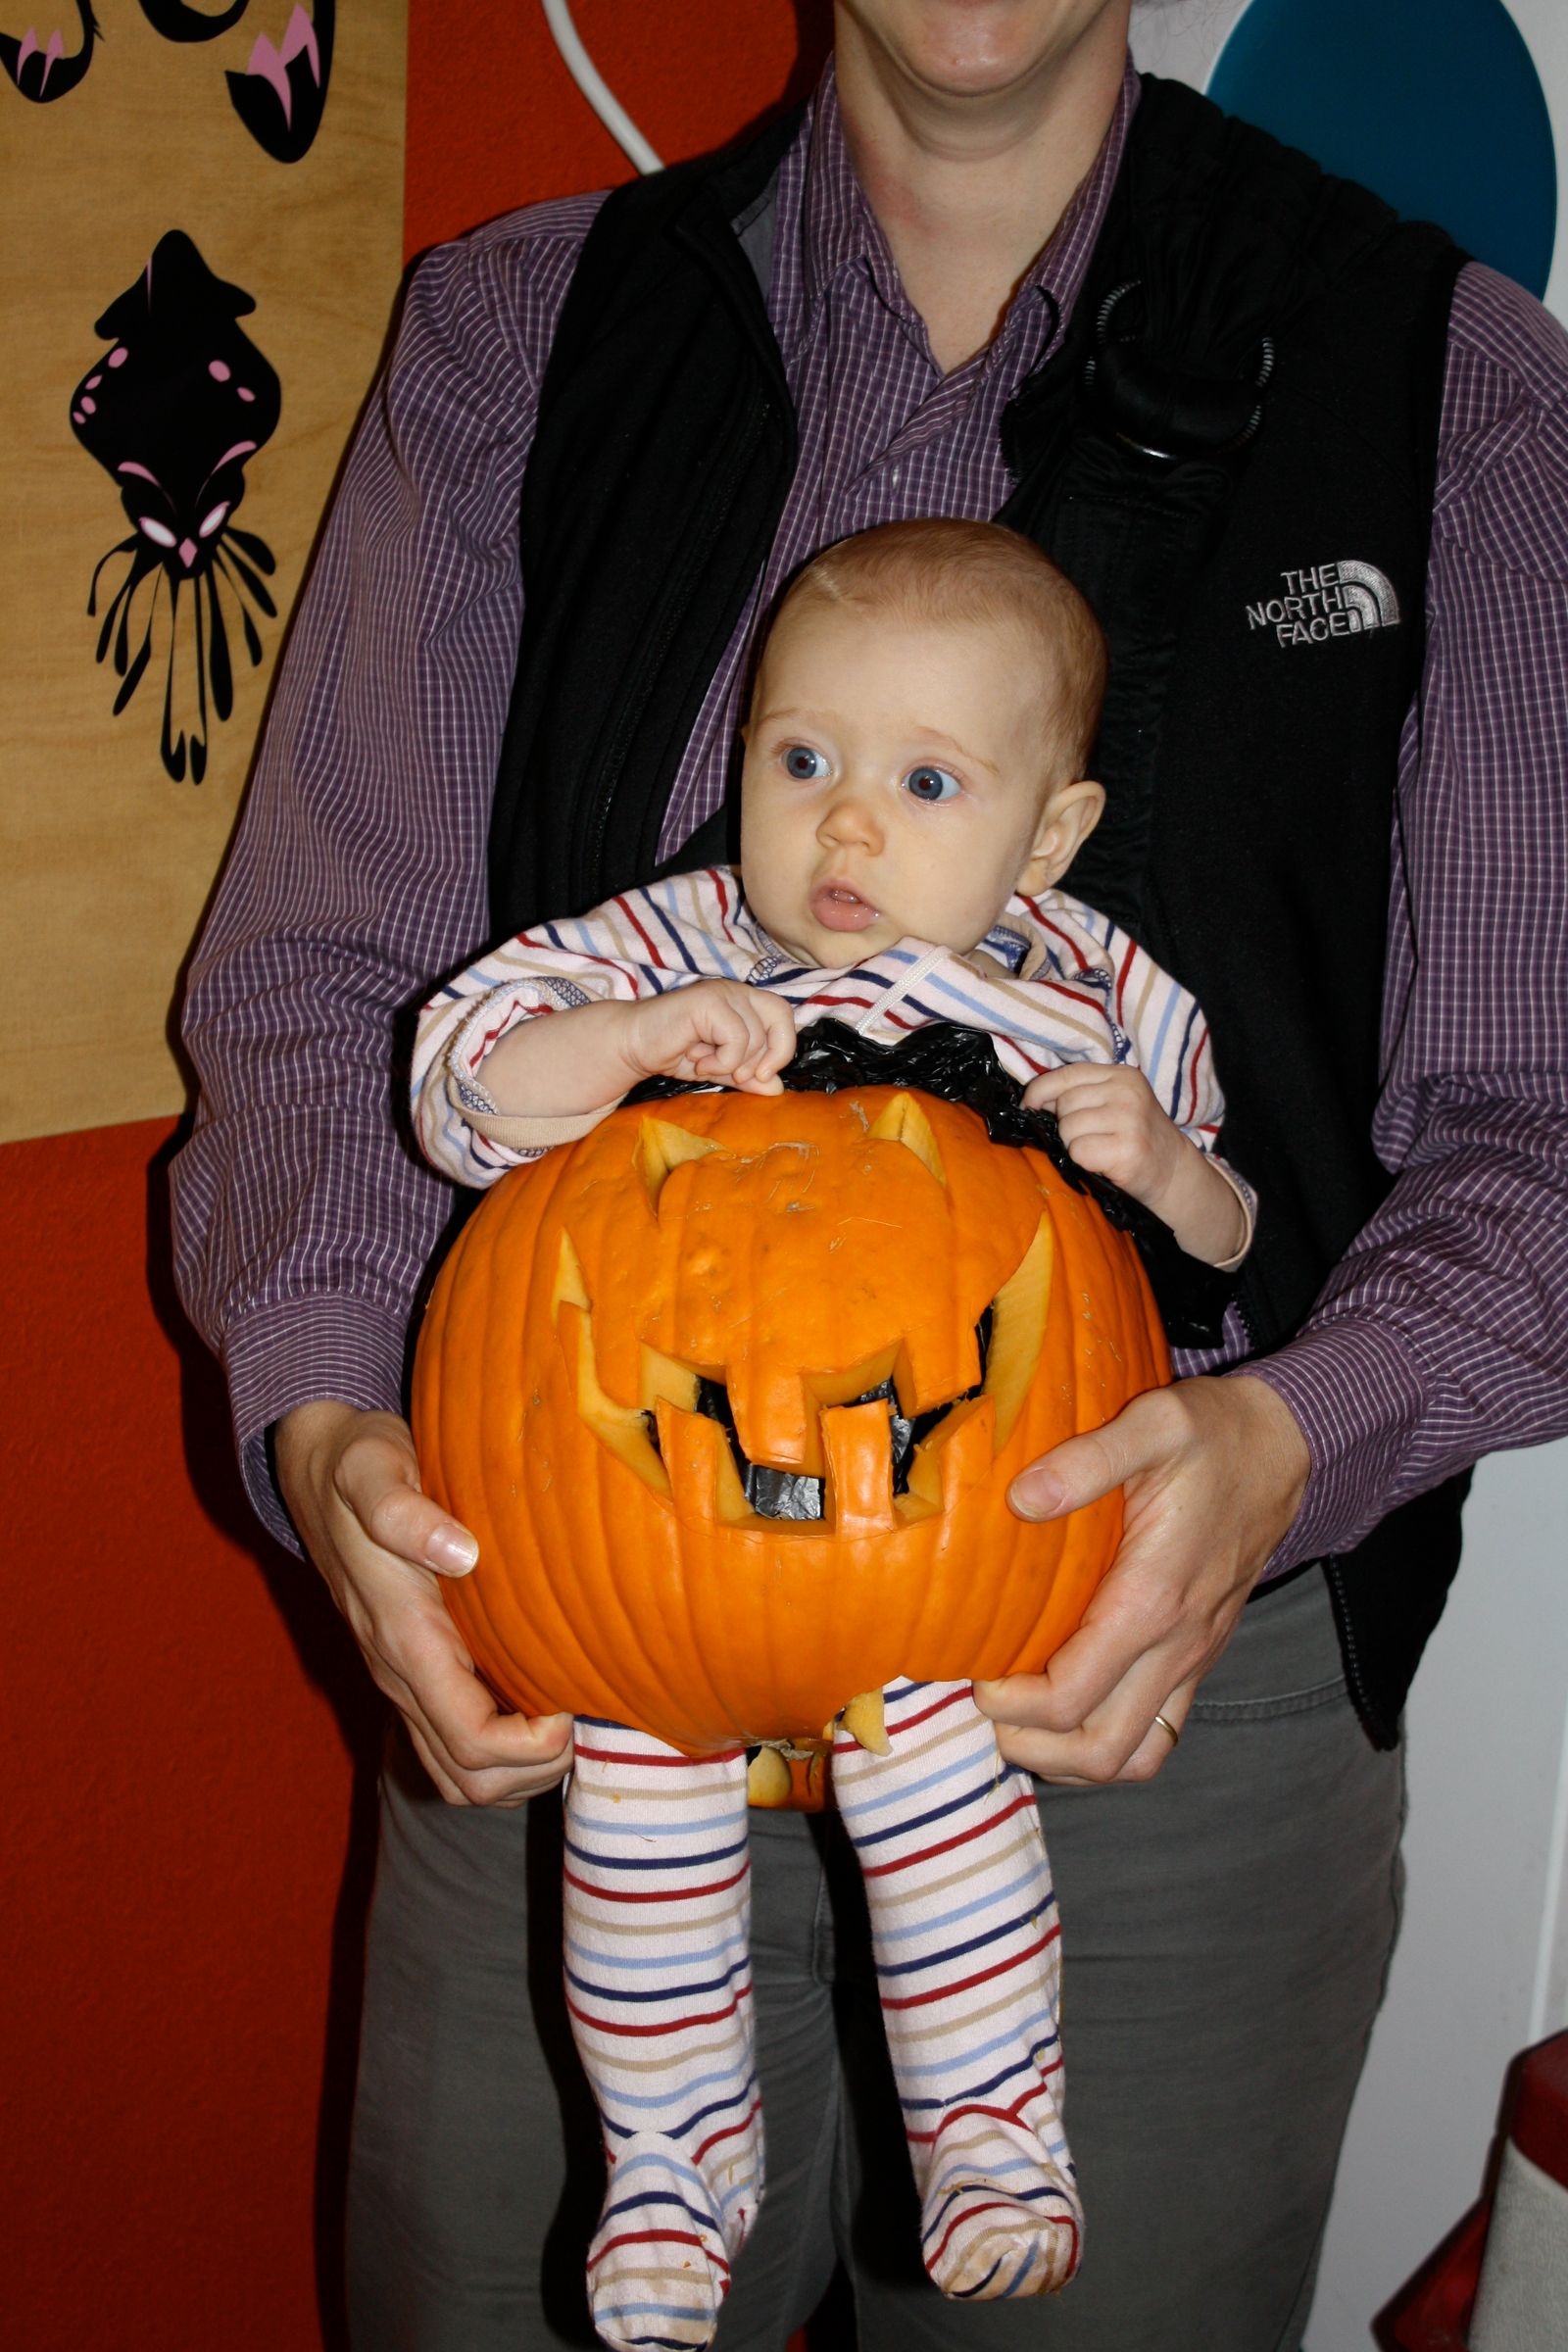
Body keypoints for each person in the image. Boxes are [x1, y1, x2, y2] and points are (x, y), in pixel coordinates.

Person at [171, 3, 1568, 2344]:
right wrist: (332, 1436)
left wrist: (1283, 1442)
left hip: (1157, 1660)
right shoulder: (513, 336)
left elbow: (1536, 1127)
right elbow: (321, 988)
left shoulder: (1456, 385)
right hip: (559, 1604)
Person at [410, 519, 1254, 2346]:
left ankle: (994, 2134)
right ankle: (668, 2166)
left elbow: (1233, 1243)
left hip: (949, 1570)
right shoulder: (678, 932)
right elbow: (463, 1083)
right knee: (635, 1788)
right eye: (804, 764)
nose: (846, 827)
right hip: (642, 1563)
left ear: (1049, 834)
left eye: (925, 782)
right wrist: (628, 1041)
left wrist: (1162, 1165)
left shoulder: (1098, 996)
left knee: (940, 1776)